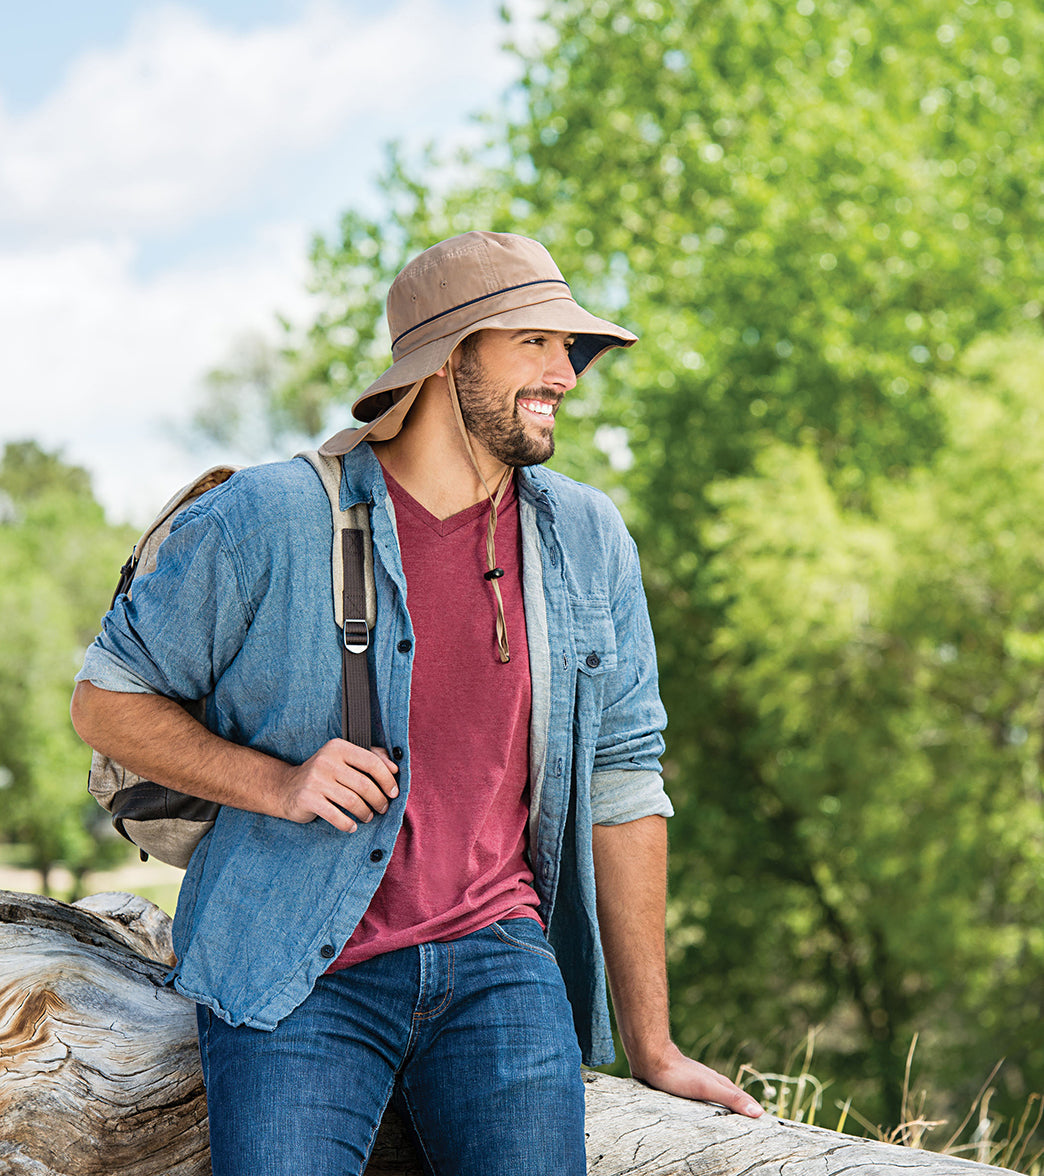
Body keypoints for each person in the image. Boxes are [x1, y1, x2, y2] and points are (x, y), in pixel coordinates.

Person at [71, 230, 762, 1176]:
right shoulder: (269, 517)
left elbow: (623, 784)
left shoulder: (587, 538)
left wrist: (655, 1046)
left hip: (499, 963)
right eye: (534, 342)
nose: (567, 369)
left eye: (571, 348)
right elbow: (106, 701)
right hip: (290, 965)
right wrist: (278, 784)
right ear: (447, 359)